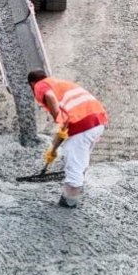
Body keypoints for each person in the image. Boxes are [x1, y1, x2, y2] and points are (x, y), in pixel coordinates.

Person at [28, 70, 108, 208]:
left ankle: (69, 203)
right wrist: (52, 150)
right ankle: (78, 191)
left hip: (83, 124)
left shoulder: (40, 85)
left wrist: (57, 116)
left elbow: (49, 96)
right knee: (80, 159)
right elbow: (64, 129)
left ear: (31, 84)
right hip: (97, 121)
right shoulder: (59, 84)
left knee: (73, 164)